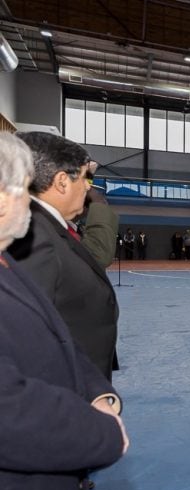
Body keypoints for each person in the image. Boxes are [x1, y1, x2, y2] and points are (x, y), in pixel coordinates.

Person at [0, 132, 129, 490]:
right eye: (24, 188)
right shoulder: (36, 238)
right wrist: (98, 433)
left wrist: (96, 391)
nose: (30, 199)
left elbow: (50, 331)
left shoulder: (11, 259)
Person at [8, 132, 120, 381]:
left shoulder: (46, 224)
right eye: (84, 179)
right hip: (62, 386)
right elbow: (27, 342)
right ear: (61, 182)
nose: (88, 188)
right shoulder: (33, 235)